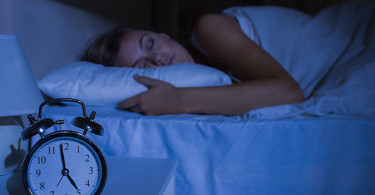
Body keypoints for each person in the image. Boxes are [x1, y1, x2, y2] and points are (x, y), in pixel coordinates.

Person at [80, 12, 304, 116]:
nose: (158, 58)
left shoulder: (209, 28)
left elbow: (289, 92)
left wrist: (181, 100)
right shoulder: (209, 82)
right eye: (143, 66)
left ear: (163, 34)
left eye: (150, 43)